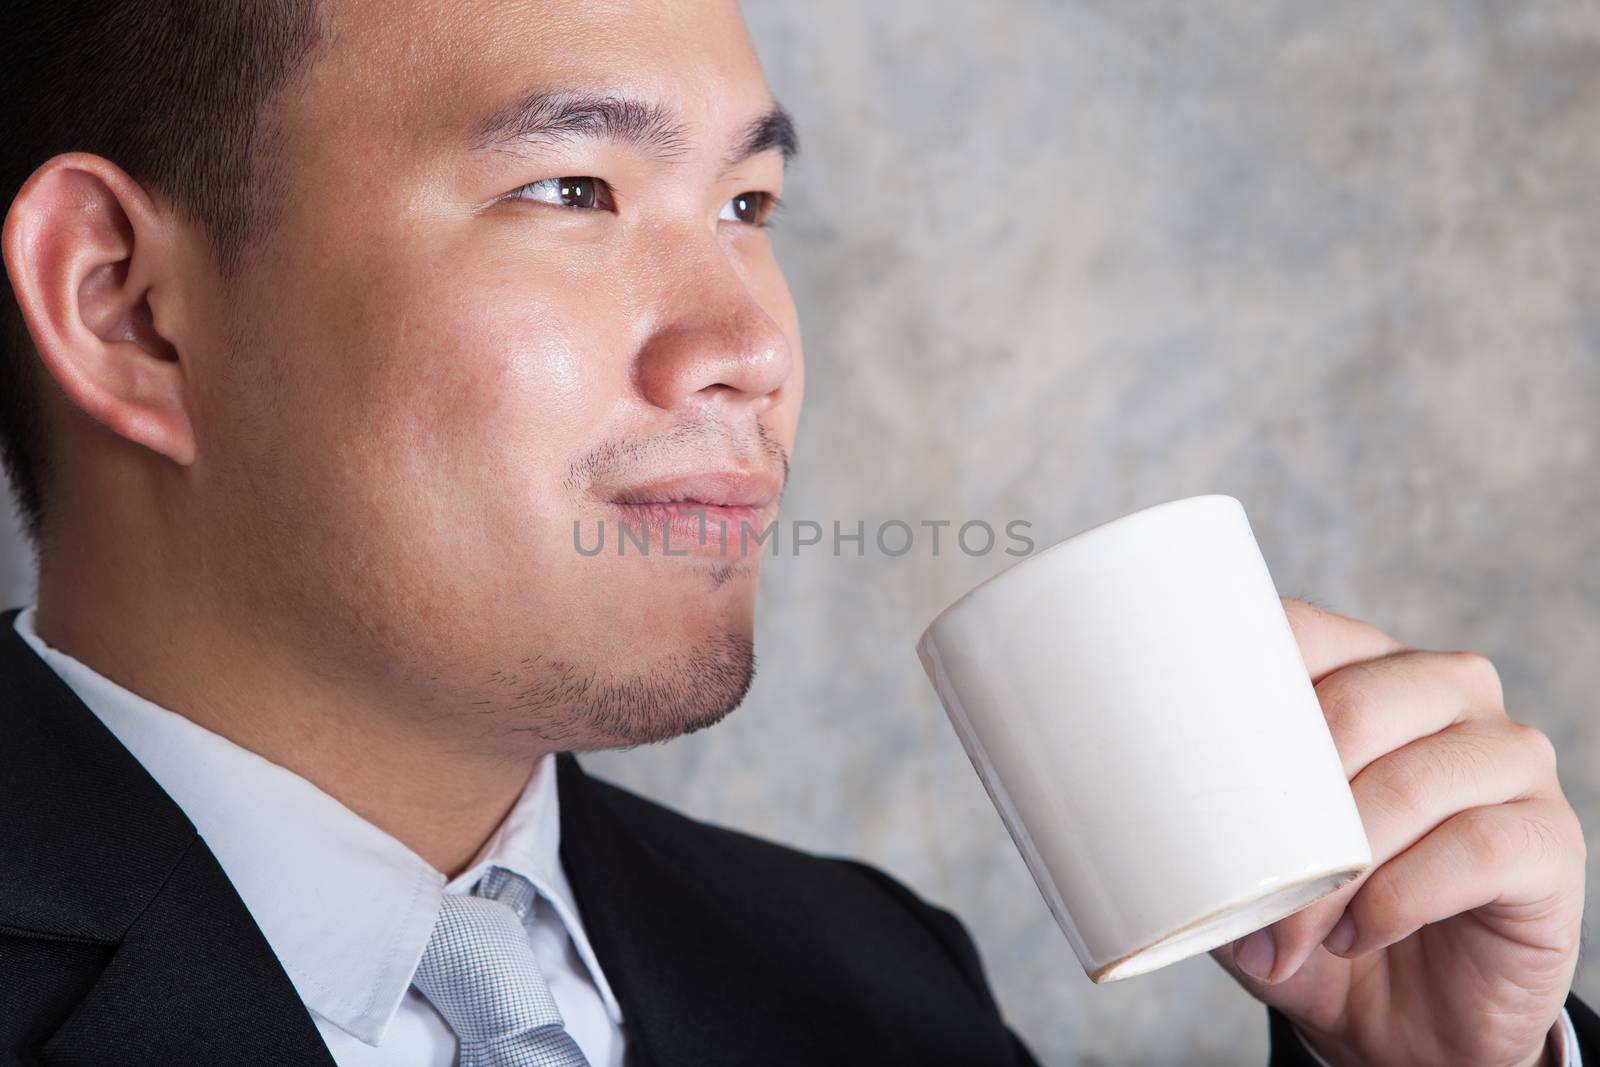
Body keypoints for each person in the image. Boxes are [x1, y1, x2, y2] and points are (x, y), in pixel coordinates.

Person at [0, 1, 1591, 1064]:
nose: (751, 347)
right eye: (573, 190)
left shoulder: (876, 987)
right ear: (126, 308)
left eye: (749, 210)